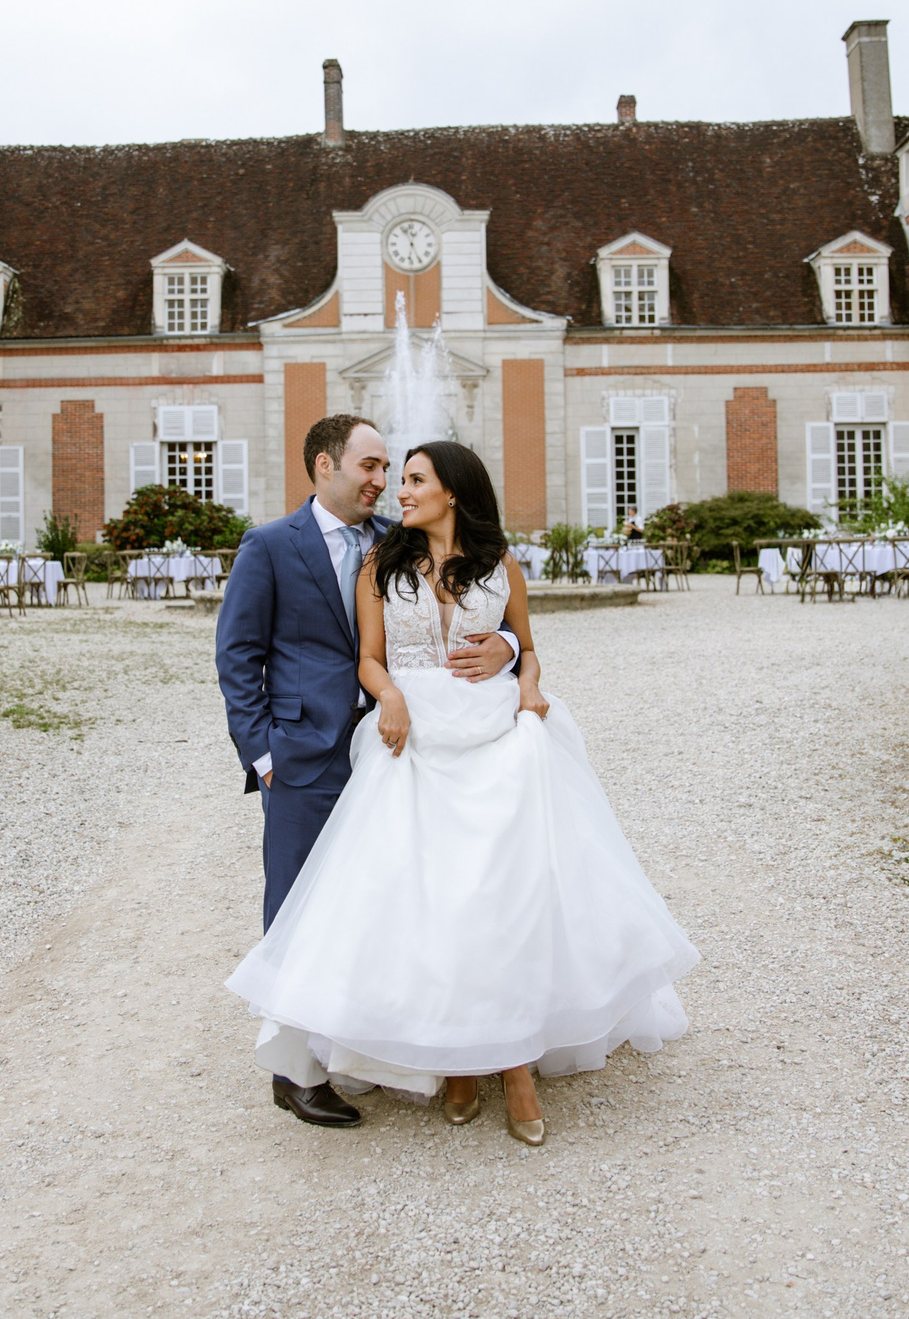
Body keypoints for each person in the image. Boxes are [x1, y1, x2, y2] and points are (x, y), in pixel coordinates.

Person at [226, 440, 697, 1145]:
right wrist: (388, 697)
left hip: (494, 736)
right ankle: (447, 1060)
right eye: (390, 475)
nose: (397, 489)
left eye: (413, 478)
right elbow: (368, 658)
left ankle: (513, 1064)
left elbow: (525, 645)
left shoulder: (499, 560)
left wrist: (523, 677)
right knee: (429, 898)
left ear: (452, 490)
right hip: (412, 739)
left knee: (505, 894)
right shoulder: (382, 559)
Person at [215, 415, 519, 1128]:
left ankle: (362, 1042)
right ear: (325, 465)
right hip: (306, 756)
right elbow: (237, 655)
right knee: (298, 903)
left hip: (397, 753)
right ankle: (295, 1070)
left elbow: (468, 598)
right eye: (371, 465)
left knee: (380, 900)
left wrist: (506, 644)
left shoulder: (397, 539)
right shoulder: (269, 545)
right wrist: (264, 756)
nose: (383, 480)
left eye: (389, 469)